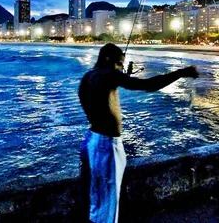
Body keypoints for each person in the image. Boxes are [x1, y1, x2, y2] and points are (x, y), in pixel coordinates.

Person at [78, 43, 199, 222]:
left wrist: (119, 77)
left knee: (98, 199)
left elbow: (97, 98)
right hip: (106, 144)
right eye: (119, 63)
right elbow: (149, 85)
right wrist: (181, 73)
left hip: (91, 141)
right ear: (107, 60)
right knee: (109, 203)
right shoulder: (108, 75)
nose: (120, 67)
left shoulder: (88, 77)